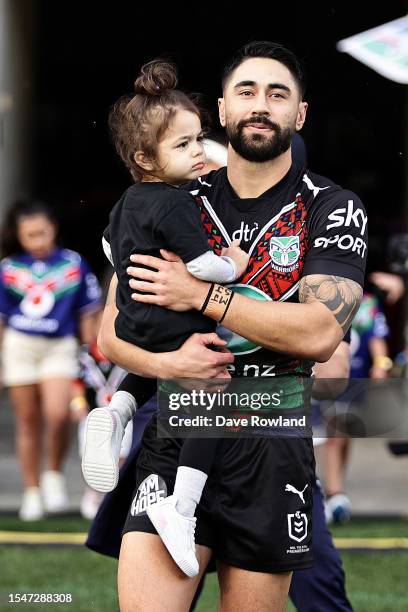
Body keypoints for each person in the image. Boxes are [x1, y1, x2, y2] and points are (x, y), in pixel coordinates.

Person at [97, 41, 367, 611]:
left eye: (278, 93)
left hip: (270, 445)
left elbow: (320, 334)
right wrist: (168, 364)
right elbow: (110, 334)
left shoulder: (333, 207)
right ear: (222, 111)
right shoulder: (169, 200)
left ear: (300, 113)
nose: (260, 105)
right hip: (177, 434)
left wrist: (202, 294)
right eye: (246, 91)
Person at [81, 59, 249, 576]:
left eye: (199, 139)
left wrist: (136, 269)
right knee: (212, 394)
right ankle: (181, 507)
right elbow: (201, 268)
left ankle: (116, 412)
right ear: (144, 158)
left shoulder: (129, 200)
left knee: (148, 371)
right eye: (184, 145)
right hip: (176, 322)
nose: (198, 151)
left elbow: (110, 245)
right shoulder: (176, 205)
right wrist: (233, 263)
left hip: (136, 316)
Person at [0, 199, 102, 521]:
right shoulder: (8, 268)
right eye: (30, 235)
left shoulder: (74, 263)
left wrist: (92, 357)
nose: (38, 240)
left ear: (53, 229)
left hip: (60, 345)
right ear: (19, 236)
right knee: (27, 420)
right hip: (21, 345)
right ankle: (32, 491)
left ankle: (54, 475)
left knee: (58, 413)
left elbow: (89, 314)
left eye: (43, 232)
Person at [323, 292, 391, 524]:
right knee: (334, 432)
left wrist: (381, 366)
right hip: (326, 376)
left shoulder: (367, 303)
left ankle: (335, 492)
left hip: (355, 379)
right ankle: (334, 492)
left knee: (343, 434)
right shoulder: (320, 296)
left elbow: (377, 340)